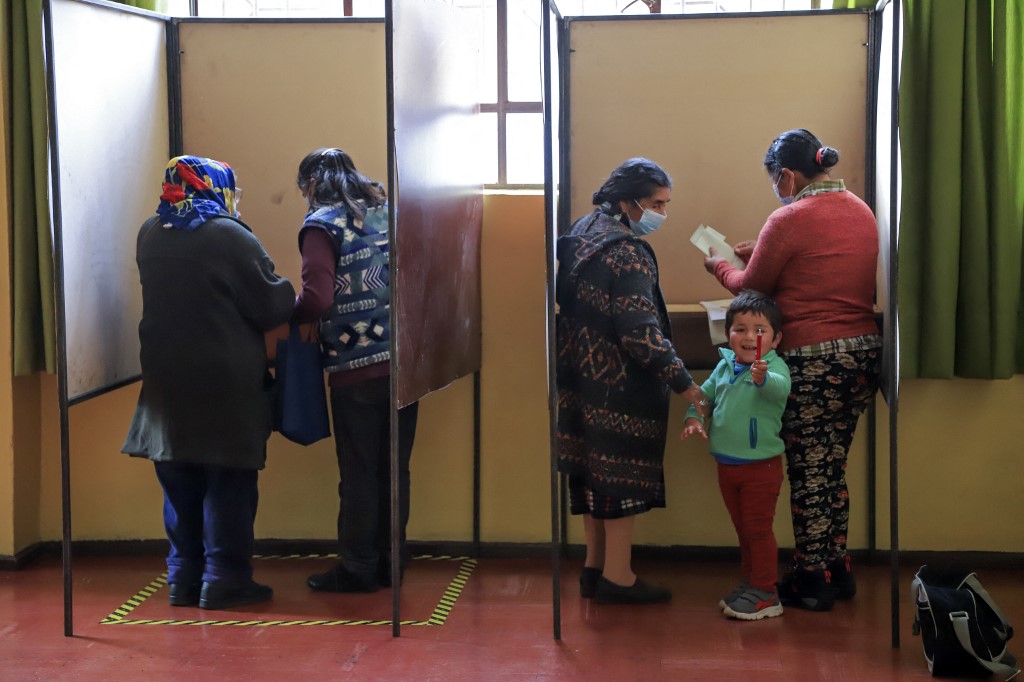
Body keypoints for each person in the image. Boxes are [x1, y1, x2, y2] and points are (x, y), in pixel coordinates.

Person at [702, 129, 881, 612]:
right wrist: (754, 255)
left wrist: (721, 266)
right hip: (862, 357)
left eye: (775, 181)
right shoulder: (860, 209)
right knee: (831, 468)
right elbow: (816, 272)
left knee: (808, 471)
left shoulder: (789, 216)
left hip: (814, 360)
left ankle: (811, 581)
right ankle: (836, 568)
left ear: (786, 175)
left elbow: (750, 290)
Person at [122, 155, 296, 610]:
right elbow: (272, 305)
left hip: (164, 380)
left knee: (179, 481)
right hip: (224, 384)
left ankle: (182, 578)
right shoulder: (227, 234)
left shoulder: (149, 233)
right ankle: (225, 579)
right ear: (216, 187)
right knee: (228, 482)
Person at [556, 157, 709, 605]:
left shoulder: (585, 229)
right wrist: (686, 383)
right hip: (620, 384)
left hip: (580, 378)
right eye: (657, 204)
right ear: (628, 202)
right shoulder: (626, 250)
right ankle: (618, 577)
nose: (664, 213)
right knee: (618, 482)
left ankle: (593, 568)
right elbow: (640, 331)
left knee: (590, 475)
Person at [292, 147, 419, 593]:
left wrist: (287, 315)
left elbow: (317, 298)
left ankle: (357, 568)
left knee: (360, 473)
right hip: (404, 366)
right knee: (394, 469)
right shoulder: (386, 213)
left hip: (356, 369)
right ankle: (391, 562)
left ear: (310, 185)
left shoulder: (320, 225)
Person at [681, 291, 790, 621]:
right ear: (727, 334)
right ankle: (752, 583)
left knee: (758, 530)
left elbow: (780, 389)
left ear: (775, 339)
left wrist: (763, 378)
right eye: (739, 328)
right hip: (727, 466)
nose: (748, 337)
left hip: (762, 467)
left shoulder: (774, 367)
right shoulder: (724, 365)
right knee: (744, 530)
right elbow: (704, 397)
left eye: (759, 330)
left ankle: (767, 593)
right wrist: (694, 418)